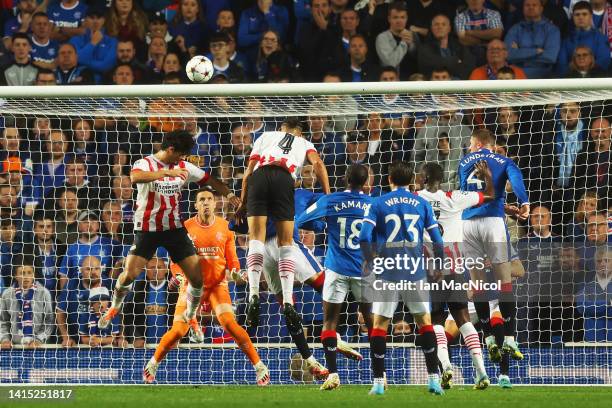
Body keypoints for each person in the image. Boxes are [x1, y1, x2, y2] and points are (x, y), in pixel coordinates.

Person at [98, 130, 240, 334]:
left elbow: (209, 180)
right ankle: (114, 307)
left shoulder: (184, 166)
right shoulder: (145, 163)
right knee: (129, 275)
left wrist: (229, 194)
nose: (182, 159)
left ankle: (190, 317)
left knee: (197, 278)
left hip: (174, 229)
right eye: (180, 154)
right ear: (171, 150)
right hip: (147, 229)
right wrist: (165, 173)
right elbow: (134, 177)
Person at [144, 188, 270, 385]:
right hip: (192, 284)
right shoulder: (185, 228)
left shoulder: (225, 227)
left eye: (209, 199)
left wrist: (237, 271)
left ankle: (259, 366)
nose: (205, 203)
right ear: (195, 205)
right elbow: (175, 259)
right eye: (201, 199)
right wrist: (177, 275)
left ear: (215, 203)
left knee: (229, 323)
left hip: (218, 284)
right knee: (178, 330)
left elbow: (233, 259)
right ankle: (153, 363)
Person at [237, 117, 330, 376]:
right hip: (283, 181)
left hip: (258, 181)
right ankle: (302, 309)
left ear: (282, 129)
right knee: (291, 246)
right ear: (299, 131)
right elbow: (319, 165)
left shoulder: (265, 137)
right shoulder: (304, 142)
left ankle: (254, 292)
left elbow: (249, 170)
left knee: (254, 238)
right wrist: (328, 194)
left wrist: (243, 202)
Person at [359, 160, 446, 395]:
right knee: (424, 323)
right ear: (412, 182)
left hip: (387, 270)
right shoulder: (421, 203)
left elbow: (364, 236)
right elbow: (438, 241)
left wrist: (370, 260)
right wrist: (438, 264)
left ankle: (378, 382)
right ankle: (433, 380)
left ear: (389, 179)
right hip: (415, 271)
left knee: (379, 325)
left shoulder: (378, 203)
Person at [416, 161, 494, 390]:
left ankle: (446, 365)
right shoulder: (454, 197)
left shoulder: (415, 198)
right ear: (441, 180)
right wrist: (486, 175)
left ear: (423, 178)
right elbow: (490, 194)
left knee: (437, 320)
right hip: (456, 268)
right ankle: (481, 372)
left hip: (430, 269)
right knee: (463, 320)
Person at [295, 164, 373, 390]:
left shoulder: (331, 200)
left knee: (329, 323)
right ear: (366, 181)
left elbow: (300, 220)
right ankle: (381, 375)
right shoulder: (372, 204)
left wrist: (323, 224)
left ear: (345, 178)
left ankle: (334, 375)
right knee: (370, 321)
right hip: (363, 270)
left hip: (336, 268)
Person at [458, 129, 530, 363]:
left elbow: (466, 194)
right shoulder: (504, 161)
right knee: (504, 282)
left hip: (468, 224)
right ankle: (509, 338)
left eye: (470, 143)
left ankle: (488, 337)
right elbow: (516, 181)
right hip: (492, 222)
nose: (469, 148)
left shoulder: (463, 162)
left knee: (477, 284)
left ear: (479, 144)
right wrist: (524, 202)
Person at [0, 258, 54, 348]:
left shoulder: (44, 293)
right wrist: (5, 339)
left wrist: (39, 339)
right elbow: (3, 321)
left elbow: (49, 321)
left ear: (33, 275)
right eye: (22, 273)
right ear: (16, 276)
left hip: (38, 346)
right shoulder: (7, 294)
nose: (26, 276)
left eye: (29, 273)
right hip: (14, 346)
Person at [504, 0, 560, 79]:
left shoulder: (552, 30)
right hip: (517, 76)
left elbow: (550, 57)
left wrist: (519, 52)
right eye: (527, 5)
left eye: (534, 5)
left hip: (544, 77)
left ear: (541, 9)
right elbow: (508, 55)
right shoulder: (514, 29)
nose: (531, 7)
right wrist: (536, 51)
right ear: (523, 9)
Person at [556, 1, 610, 77]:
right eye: (577, 14)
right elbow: (561, 65)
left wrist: (585, 71)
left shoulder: (601, 38)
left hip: (595, 79)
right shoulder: (566, 40)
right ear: (572, 17)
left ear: (591, 16)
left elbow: (604, 61)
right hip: (571, 79)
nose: (580, 17)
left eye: (584, 14)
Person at [417, 14, 476, 79]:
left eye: (443, 24)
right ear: (431, 28)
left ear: (449, 29)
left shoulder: (460, 46)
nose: (440, 27)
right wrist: (455, 60)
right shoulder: (424, 47)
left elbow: (469, 66)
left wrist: (443, 63)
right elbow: (428, 66)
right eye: (436, 24)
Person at [69, 8, 118, 83]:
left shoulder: (112, 41)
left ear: (104, 20)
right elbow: (76, 60)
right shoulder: (75, 40)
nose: (95, 21)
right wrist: (93, 43)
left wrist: (84, 64)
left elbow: (106, 66)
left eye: (99, 18)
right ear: (85, 20)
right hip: (80, 83)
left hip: (104, 84)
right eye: (92, 18)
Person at [375, 2, 419, 79]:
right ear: (389, 19)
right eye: (395, 17)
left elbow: (419, 59)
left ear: (407, 18)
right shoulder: (382, 38)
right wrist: (404, 43)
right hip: (391, 83)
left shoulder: (413, 35)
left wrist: (412, 45)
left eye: (402, 17)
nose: (399, 21)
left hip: (412, 83)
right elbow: (390, 63)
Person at [577, 245, 612, 341]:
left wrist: (595, 308)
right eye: (599, 261)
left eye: (607, 261)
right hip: (593, 343)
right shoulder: (585, 283)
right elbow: (582, 307)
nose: (602, 264)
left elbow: (589, 308)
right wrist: (608, 303)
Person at [454, 0, 503, 65]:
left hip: (492, 52)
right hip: (470, 54)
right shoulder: (460, 17)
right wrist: (486, 41)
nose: (475, 1)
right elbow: (463, 39)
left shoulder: (493, 14)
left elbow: (497, 33)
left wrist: (470, 32)